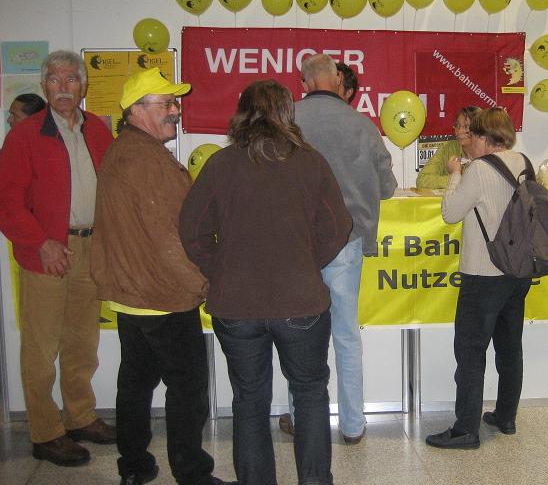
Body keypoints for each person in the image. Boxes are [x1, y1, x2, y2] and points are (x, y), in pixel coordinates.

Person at [180, 80, 351, 485]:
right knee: (309, 394)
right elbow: (338, 226)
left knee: (249, 399)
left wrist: (221, 269)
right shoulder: (310, 162)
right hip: (301, 301)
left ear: (242, 113)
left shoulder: (220, 164)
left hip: (236, 304)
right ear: (287, 113)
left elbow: (191, 231)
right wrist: (306, 263)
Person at [90, 68, 233, 485]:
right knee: (187, 387)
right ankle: (192, 473)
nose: (175, 110)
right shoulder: (146, 160)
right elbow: (170, 238)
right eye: (166, 103)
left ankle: (134, 466)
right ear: (136, 110)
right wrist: (203, 284)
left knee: (135, 382)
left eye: (175, 102)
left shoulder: (124, 150)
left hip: (132, 294)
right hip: (162, 294)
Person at [0, 50, 115, 466]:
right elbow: (7, 202)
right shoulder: (25, 135)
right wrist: (41, 243)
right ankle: (46, 432)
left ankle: (80, 417)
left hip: (90, 247)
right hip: (45, 251)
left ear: (83, 85)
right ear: (43, 86)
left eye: (71, 79)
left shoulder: (98, 130)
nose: (63, 87)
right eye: (54, 80)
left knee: (82, 342)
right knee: (41, 347)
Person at [279, 54, 397, 444]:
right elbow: (386, 188)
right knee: (346, 336)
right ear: (337, 80)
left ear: (304, 83)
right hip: (347, 240)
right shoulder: (363, 125)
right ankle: (352, 425)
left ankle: (301, 419)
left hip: (297, 244)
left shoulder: (286, 121)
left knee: (299, 336)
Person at [425, 108, 531, 450]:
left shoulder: (480, 170)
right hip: (517, 271)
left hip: (483, 273)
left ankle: (465, 429)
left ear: (484, 137)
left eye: (475, 134)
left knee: (470, 352)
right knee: (510, 348)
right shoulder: (524, 163)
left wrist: (456, 174)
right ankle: (506, 416)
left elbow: (450, 212)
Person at [416, 106, 481, 189]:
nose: (459, 131)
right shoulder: (447, 148)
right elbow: (422, 180)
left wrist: (456, 179)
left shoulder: (487, 151)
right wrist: (457, 179)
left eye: (466, 127)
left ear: (479, 130)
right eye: (457, 125)